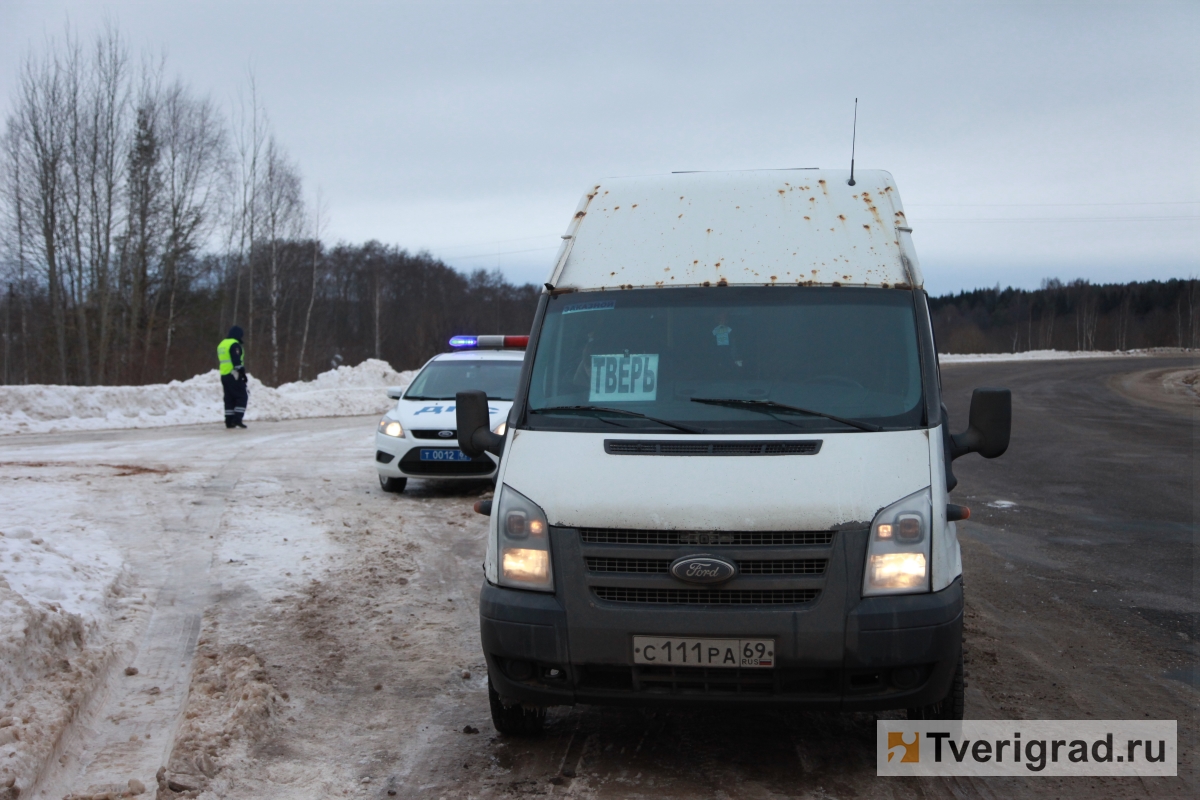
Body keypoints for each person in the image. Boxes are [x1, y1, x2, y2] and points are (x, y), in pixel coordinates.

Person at [217, 326, 249, 429]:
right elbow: (236, 360)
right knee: (242, 396)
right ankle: (237, 419)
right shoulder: (234, 345)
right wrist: (242, 374)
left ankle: (229, 420)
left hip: (224, 374)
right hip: (234, 374)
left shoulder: (222, 344)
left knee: (229, 398)